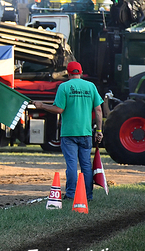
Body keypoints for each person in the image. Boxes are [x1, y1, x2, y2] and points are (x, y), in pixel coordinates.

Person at [33, 61, 103, 201]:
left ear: (68, 73)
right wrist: (99, 130)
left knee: (71, 165)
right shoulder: (90, 86)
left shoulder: (64, 87)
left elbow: (59, 109)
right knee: (86, 165)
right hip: (86, 133)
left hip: (69, 133)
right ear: (81, 72)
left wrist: (42, 105)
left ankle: (71, 195)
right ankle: (88, 196)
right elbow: (99, 110)